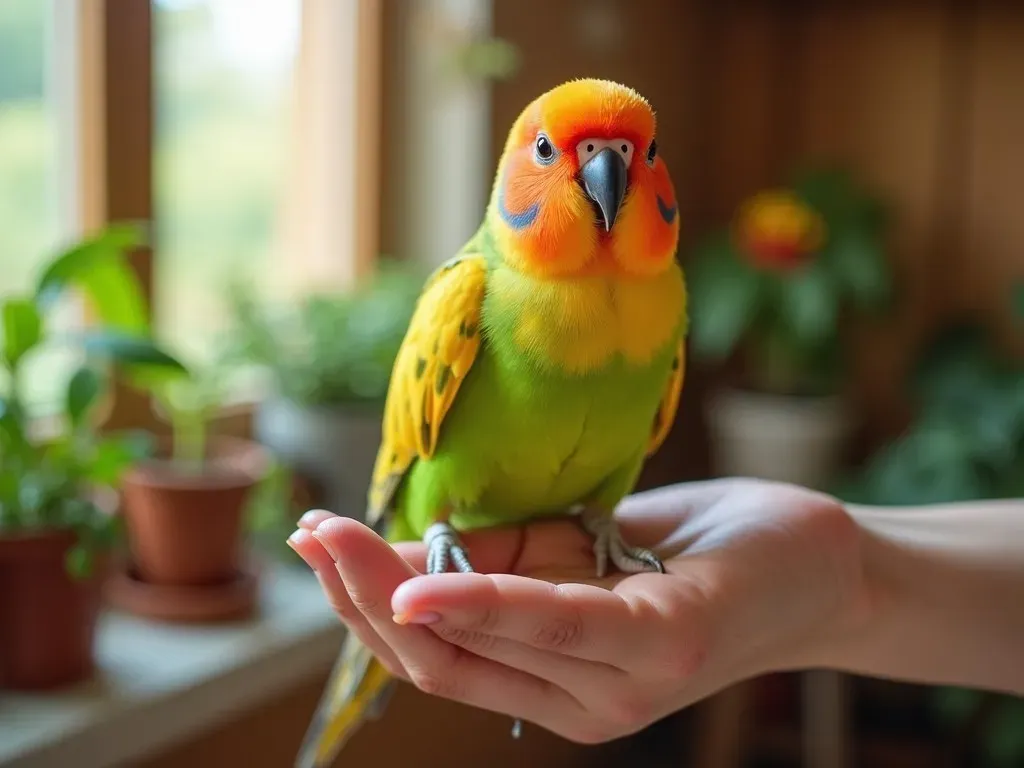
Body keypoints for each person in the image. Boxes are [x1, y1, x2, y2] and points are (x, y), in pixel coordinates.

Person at [286, 477, 1024, 745]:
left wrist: (836, 574)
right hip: (450, 519)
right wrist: (843, 563)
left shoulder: (661, 312)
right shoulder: (468, 299)